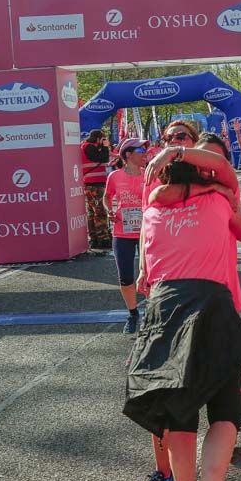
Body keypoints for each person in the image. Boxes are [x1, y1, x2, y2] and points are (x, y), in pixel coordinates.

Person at [125, 139, 241, 481]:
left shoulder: (151, 211)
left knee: (178, 419)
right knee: (225, 412)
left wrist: (175, 166)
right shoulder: (216, 201)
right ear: (201, 175)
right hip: (213, 305)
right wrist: (216, 188)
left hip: (165, 310)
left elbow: (147, 270)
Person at [104, 137, 149, 334]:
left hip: (147, 232)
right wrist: (109, 210)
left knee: (152, 274)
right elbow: (107, 196)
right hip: (122, 232)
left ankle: (152, 312)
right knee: (125, 276)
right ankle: (132, 314)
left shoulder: (149, 175)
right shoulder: (114, 176)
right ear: (128, 154)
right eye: (141, 151)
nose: (145, 154)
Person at [81, 129, 112, 250]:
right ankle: (102, 238)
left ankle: (94, 238)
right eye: (103, 139)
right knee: (99, 212)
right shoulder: (88, 147)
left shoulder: (87, 146)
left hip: (92, 184)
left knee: (93, 212)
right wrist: (105, 147)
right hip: (94, 184)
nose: (104, 142)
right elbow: (103, 158)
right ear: (98, 138)